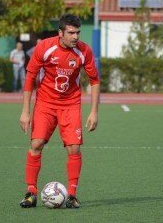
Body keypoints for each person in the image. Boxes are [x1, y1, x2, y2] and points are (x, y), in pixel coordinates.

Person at [19, 14, 100, 209]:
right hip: (45, 104)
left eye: (78, 32)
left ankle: (71, 195)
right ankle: (31, 193)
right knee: (36, 144)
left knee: (74, 148)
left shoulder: (84, 51)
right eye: (71, 32)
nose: (75, 36)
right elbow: (30, 78)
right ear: (60, 33)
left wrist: (94, 111)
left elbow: (94, 80)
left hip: (71, 104)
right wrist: (25, 111)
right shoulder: (45, 48)